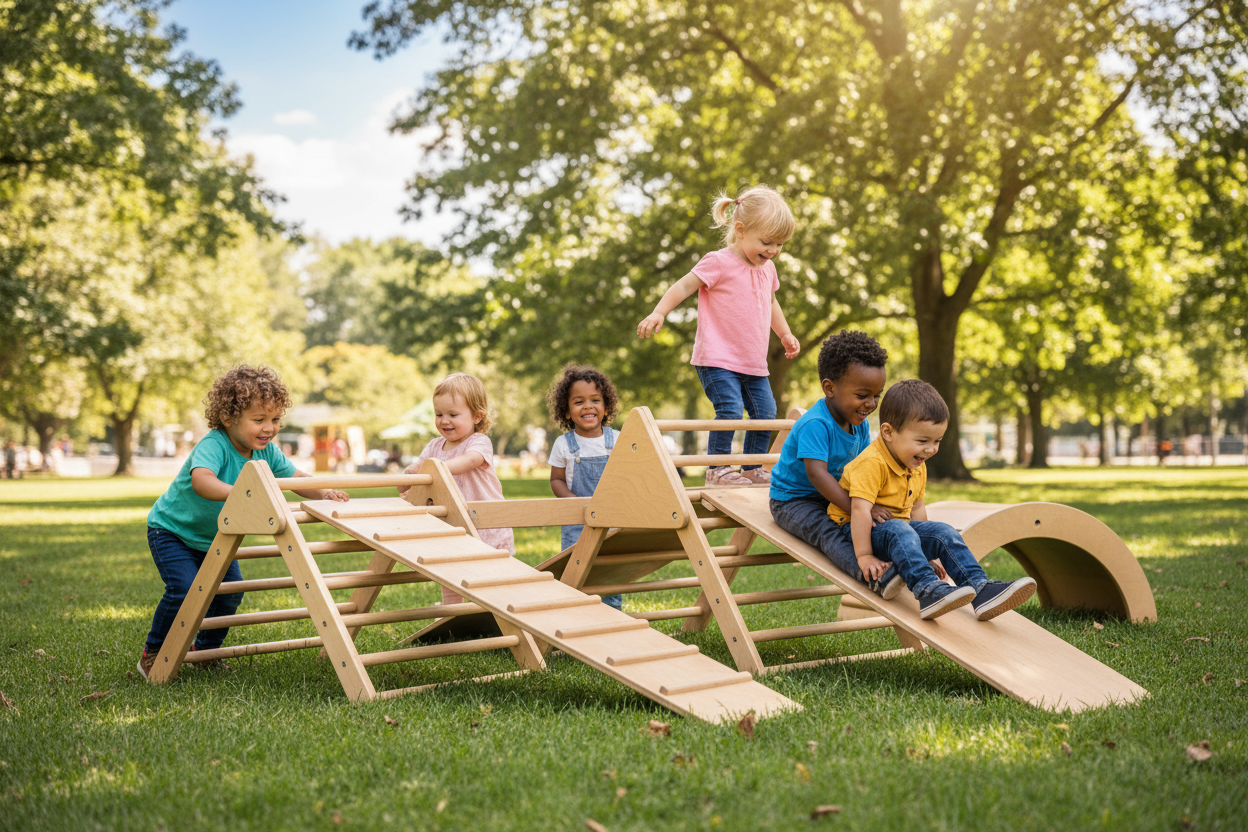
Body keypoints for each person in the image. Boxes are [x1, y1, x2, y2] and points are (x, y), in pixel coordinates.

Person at [139, 366, 349, 679]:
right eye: (259, 420)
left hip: (216, 538)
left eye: (275, 419)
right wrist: (243, 494)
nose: (269, 428)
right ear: (229, 418)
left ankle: (205, 651)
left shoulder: (266, 452)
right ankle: (153, 652)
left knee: (230, 592)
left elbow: (295, 478)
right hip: (173, 532)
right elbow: (202, 482)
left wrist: (323, 491)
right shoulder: (215, 444)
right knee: (184, 589)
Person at [827, 379, 1037, 621]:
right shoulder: (872, 463)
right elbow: (861, 511)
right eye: (922, 441)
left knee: (943, 532)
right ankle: (928, 591)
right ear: (888, 432)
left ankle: (980, 590)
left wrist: (928, 554)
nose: (930, 449)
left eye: (936, 441)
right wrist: (863, 556)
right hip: (857, 530)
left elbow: (917, 508)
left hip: (898, 530)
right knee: (899, 529)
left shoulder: (916, 463)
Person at [637, 185, 801, 486]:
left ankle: (751, 467)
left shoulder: (768, 269)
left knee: (766, 411)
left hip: (752, 362)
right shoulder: (718, 261)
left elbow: (772, 303)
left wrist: (785, 333)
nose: (773, 251)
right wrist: (659, 312)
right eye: (767, 242)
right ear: (740, 230)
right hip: (717, 358)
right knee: (729, 407)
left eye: (780, 244)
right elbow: (684, 286)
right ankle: (718, 468)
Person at [769, 331, 899, 596]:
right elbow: (817, 475)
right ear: (829, 388)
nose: (871, 404)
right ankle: (874, 576)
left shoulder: (857, 422)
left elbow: (864, 468)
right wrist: (856, 507)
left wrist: (869, 504)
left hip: (832, 495)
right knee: (828, 532)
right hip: (793, 501)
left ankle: (904, 562)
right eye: (863, 395)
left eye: (877, 395)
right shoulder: (816, 425)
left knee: (873, 522)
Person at [400, 373, 514, 606]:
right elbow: (415, 473)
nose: (444, 420)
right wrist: (408, 478)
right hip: (450, 526)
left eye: (453, 414)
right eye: (439, 414)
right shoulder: (433, 447)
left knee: (495, 575)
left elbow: (469, 461)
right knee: (450, 572)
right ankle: (452, 612)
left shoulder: (478, 442)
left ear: (476, 416)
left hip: (486, 525)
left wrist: (436, 469)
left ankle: (501, 608)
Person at [546, 365, 623, 610]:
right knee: (574, 572)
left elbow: (627, 477)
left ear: (606, 407)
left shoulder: (619, 440)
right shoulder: (564, 444)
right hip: (576, 521)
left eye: (595, 400)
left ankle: (612, 618)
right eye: (578, 401)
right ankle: (575, 618)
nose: (588, 406)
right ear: (567, 411)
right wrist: (574, 502)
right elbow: (556, 480)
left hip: (612, 519)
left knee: (608, 571)